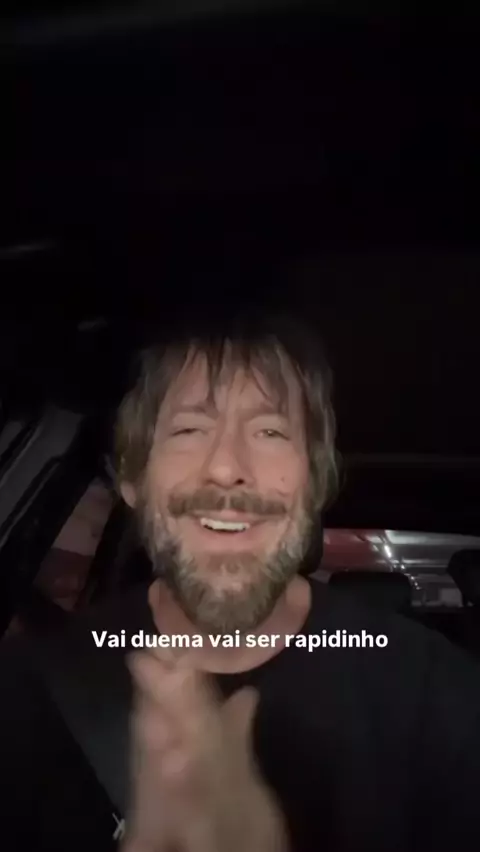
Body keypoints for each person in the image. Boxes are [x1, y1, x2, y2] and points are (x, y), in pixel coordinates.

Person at [1, 309, 480, 852]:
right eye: (189, 429)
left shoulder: (442, 701)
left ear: (316, 483)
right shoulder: (27, 693)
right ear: (134, 479)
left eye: (270, 431)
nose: (227, 467)